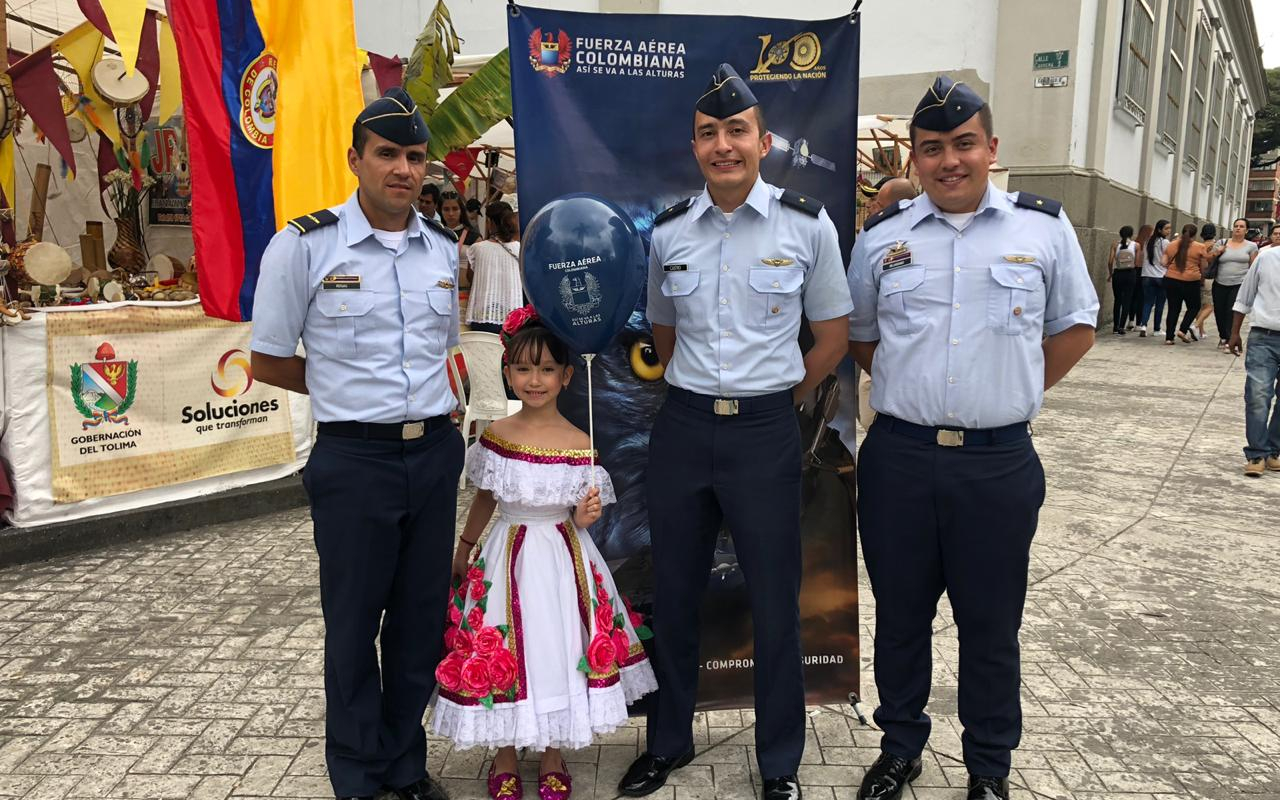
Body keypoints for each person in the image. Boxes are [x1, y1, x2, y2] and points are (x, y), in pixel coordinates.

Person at [847, 76, 1097, 800]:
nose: (948, 160)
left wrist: (1006, 389)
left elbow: (1075, 329)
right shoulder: (882, 240)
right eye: (932, 149)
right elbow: (864, 338)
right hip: (899, 457)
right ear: (915, 160)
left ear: (991, 148)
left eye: (963, 144)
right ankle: (900, 747)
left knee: (991, 627)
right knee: (900, 619)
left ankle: (989, 767)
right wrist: (921, 390)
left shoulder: (1042, 230)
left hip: (997, 464)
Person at [620, 63, 853, 800]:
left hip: (763, 434)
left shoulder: (805, 227)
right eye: (709, 134)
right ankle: (668, 743)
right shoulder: (668, 234)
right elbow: (663, 331)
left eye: (737, 131)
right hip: (684, 429)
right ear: (695, 146)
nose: (724, 145)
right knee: (676, 593)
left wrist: (779, 401)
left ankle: (779, 761)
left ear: (765, 140)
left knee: (775, 601)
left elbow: (833, 336)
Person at [249, 87, 462, 800]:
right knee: (352, 627)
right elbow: (269, 358)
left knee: (418, 625)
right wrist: (347, 387)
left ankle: (405, 764)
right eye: (387, 154)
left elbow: (442, 353)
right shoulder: (303, 245)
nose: (403, 168)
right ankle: (359, 774)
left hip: (433, 455)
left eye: (414, 155)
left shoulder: (441, 249)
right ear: (356, 160)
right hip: (354, 461)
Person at [431, 306, 657, 800]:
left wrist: (586, 517)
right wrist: (464, 548)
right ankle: (507, 752)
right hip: (506, 557)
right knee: (509, 647)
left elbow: (578, 515)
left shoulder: (581, 443)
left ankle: (553, 750)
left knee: (557, 650)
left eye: (547, 369)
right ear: (508, 372)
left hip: (562, 562)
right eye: (524, 368)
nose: (535, 380)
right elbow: (487, 497)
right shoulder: (495, 436)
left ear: (566, 376)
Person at [1228, 246, 1280, 476]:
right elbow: (1244, 297)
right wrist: (1234, 332)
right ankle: (1257, 453)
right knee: (1258, 394)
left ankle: (1274, 450)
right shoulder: (1267, 258)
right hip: (1264, 336)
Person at [465, 208, 523, 334]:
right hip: (514, 317)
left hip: (483, 316)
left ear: (490, 223)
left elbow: (470, 277)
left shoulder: (477, 248)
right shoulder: (521, 248)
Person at [1162, 223, 1215, 344]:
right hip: (1191, 281)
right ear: (1195, 234)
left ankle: (1169, 338)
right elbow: (1204, 266)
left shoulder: (1171, 245)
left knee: (1173, 308)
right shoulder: (1200, 247)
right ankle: (1183, 329)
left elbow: (1163, 262)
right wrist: (1202, 279)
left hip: (1171, 280)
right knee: (1194, 307)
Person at [1211, 218, 1259, 351]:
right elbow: (1209, 258)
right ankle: (1223, 336)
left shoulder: (1251, 246)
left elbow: (1253, 266)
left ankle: (1229, 338)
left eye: (1241, 226)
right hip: (1220, 282)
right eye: (1236, 226)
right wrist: (1217, 252)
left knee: (1231, 311)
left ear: (1246, 230)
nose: (1238, 228)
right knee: (1219, 311)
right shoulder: (1222, 242)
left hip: (1239, 283)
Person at [1139, 219, 1171, 336]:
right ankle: (1157, 329)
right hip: (1161, 276)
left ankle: (1143, 326)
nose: (1168, 231)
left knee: (1147, 302)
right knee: (1160, 303)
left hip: (1147, 275)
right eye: (1166, 228)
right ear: (1159, 229)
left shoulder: (1148, 242)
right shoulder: (1165, 243)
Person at [1107, 225, 1139, 335]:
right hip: (1130, 274)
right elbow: (1137, 262)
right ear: (1132, 234)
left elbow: (1110, 261)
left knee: (1118, 300)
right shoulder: (1136, 245)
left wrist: (1111, 274)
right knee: (1127, 300)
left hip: (1118, 274)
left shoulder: (1115, 244)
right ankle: (1121, 326)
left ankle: (1115, 327)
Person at [1191, 223, 1220, 343]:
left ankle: (1201, 332)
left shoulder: (1199, 246)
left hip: (1198, 277)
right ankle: (1195, 326)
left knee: (1200, 306)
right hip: (1210, 277)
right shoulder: (1216, 246)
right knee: (1209, 306)